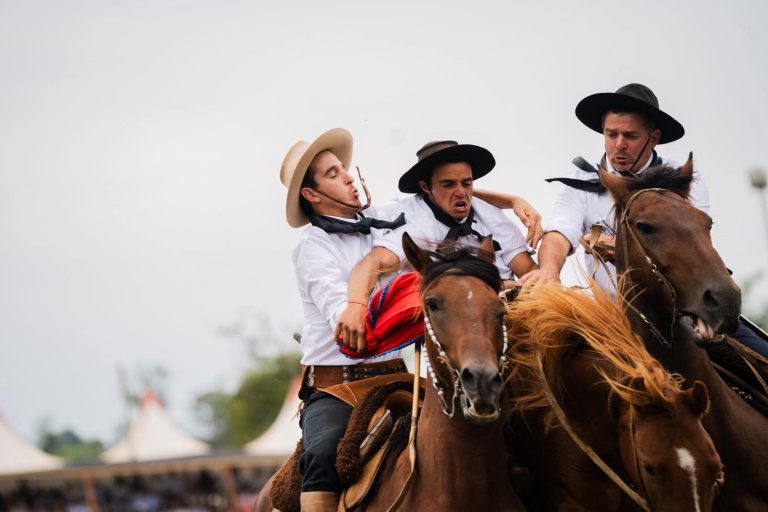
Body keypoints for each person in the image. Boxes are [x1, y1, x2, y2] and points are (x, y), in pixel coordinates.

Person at [518, 82, 768, 357]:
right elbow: (559, 234)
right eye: (611, 134)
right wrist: (550, 270)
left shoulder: (682, 179)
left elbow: (691, 243)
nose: (619, 145)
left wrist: (611, 244)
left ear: (653, 137)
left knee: (762, 356)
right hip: (607, 318)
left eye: (630, 135)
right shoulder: (580, 183)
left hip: (682, 312)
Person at [280, 128, 411, 511]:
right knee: (322, 458)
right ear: (311, 194)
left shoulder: (382, 220)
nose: (348, 176)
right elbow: (347, 323)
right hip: (339, 387)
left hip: (397, 372)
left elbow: (432, 197)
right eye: (333, 174)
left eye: (344, 168)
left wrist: (512, 200)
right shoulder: (312, 247)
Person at [337, 140, 539, 351]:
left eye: (467, 183)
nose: (461, 192)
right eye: (448, 184)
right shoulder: (414, 224)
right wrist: (356, 305)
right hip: (455, 336)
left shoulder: (492, 217)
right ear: (425, 187)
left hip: (507, 320)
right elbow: (372, 263)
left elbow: (530, 272)